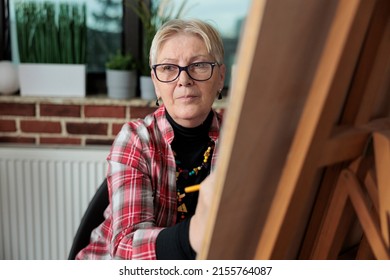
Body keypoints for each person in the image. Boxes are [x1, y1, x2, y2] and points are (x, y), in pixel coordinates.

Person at [76, 18, 226, 260]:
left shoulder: (239, 141)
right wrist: (194, 234)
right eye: (168, 68)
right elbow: (125, 246)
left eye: (198, 65)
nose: (184, 79)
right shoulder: (135, 139)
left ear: (220, 76)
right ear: (156, 83)